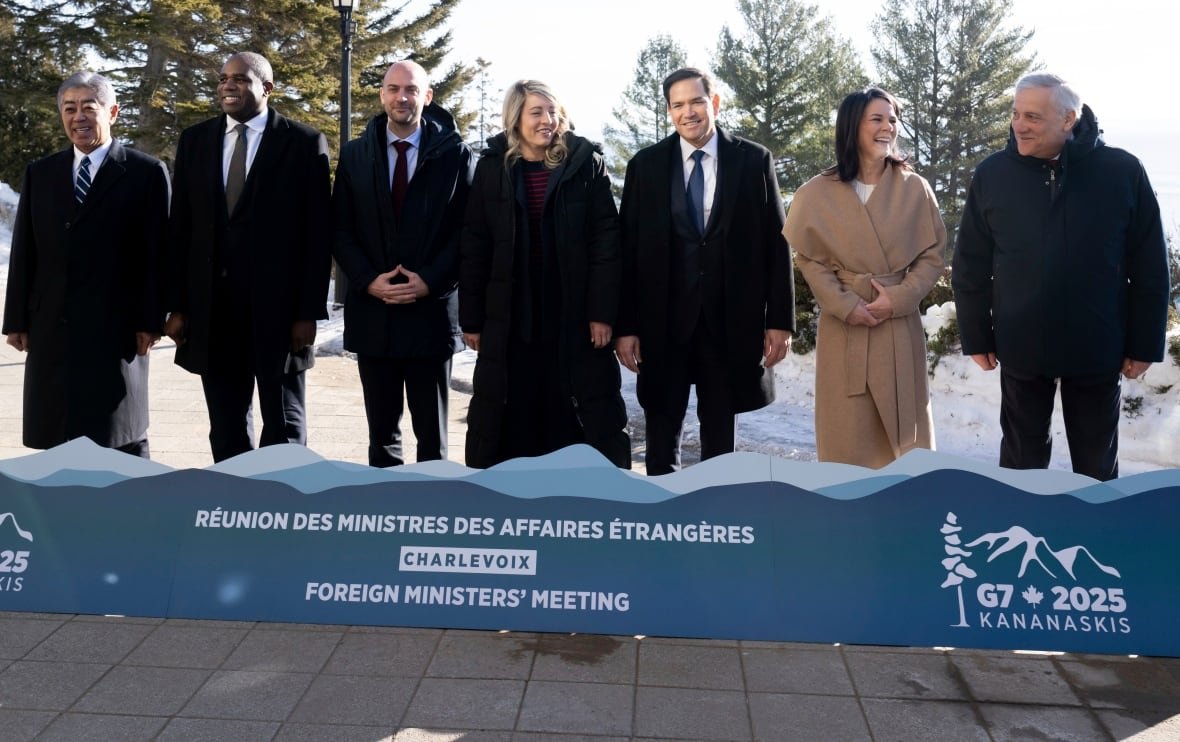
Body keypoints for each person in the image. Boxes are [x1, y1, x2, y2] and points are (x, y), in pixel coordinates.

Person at [953, 73, 1169, 481]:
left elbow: (1150, 266)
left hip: (1097, 344)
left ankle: (1098, 538)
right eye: (1016, 113)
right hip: (1021, 344)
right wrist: (977, 335)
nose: (1019, 124)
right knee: (1020, 466)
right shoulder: (993, 174)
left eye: (1032, 116)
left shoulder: (1122, 171)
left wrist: (1144, 343)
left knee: (1096, 469)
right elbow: (971, 264)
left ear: (1069, 119)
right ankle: (1020, 534)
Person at [615, 67, 794, 474]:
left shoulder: (753, 161)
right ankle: (663, 517)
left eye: (696, 101)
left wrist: (779, 320)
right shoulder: (646, 166)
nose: (688, 112)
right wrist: (625, 326)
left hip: (728, 321)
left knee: (719, 437)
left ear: (714, 103)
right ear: (669, 111)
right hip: (662, 323)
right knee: (662, 435)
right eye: (678, 105)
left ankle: (717, 513)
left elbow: (775, 243)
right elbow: (628, 250)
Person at [165, 52, 332, 463]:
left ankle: (285, 513)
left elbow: (317, 236)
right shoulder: (195, 141)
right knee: (226, 428)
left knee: (285, 429)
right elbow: (180, 229)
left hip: (278, 316)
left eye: (239, 78)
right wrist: (177, 306)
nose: (228, 86)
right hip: (212, 313)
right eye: (223, 79)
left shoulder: (303, 143)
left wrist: (307, 312)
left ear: (267, 88)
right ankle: (232, 509)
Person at [460, 80, 630, 468]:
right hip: (511, 319)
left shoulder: (584, 163)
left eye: (553, 111)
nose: (547, 121)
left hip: (571, 315)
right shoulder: (491, 168)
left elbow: (607, 244)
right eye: (537, 112)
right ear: (516, 118)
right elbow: (475, 246)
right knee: (510, 417)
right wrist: (472, 319)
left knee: (577, 416)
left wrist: (602, 313)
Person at [2, 71, 170, 458]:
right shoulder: (40, 173)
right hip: (52, 326)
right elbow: (26, 250)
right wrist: (17, 321)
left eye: (88, 107)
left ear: (112, 112)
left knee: (119, 433)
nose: (78, 117)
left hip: (117, 327)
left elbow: (157, 254)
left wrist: (151, 320)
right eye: (69, 108)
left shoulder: (145, 172)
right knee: (54, 432)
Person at [784, 87, 946, 468]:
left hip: (897, 326)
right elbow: (810, 259)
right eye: (877, 118)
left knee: (907, 440)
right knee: (848, 437)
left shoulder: (914, 187)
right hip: (846, 329)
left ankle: (908, 514)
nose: (888, 126)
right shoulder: (816, 192)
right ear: (853, 126)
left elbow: (932, 255)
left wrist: (901, 297)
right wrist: (843, 303)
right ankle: (848, 517)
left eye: (893, 119)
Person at [332, 60, 475, 467]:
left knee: (433, 438)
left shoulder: (455, 155)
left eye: (411, 89)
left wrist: (431, 281)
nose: (402, 97)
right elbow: (340, 228)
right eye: (393, 89)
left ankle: (433, 521)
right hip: (373, 315)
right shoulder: (356, 155)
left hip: (430, 315)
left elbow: (467, 230)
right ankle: (385, 515)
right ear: (382, 95)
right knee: (382, 435)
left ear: (427, 97)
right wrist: (366, 280)